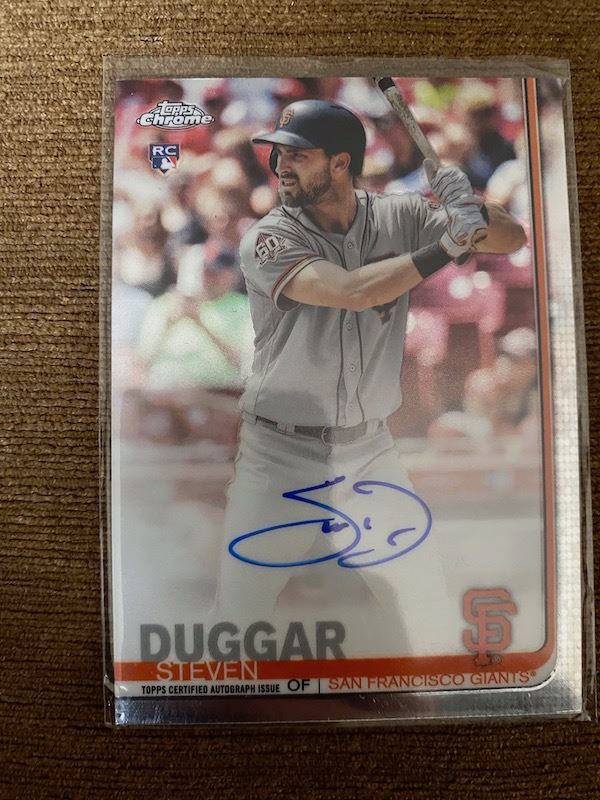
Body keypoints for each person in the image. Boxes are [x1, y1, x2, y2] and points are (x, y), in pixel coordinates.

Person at [215, 99, 525, 654]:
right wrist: (449, 243)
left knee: (424, 603)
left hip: (367, 452)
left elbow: (513, 239)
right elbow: (351, 291)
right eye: (278, 155)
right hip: (279, 454)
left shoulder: (398, 215)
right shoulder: (268, 237)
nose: (281, 166)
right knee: (239, 619)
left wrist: (473, 208)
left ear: (340, 163)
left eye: (298, 155)